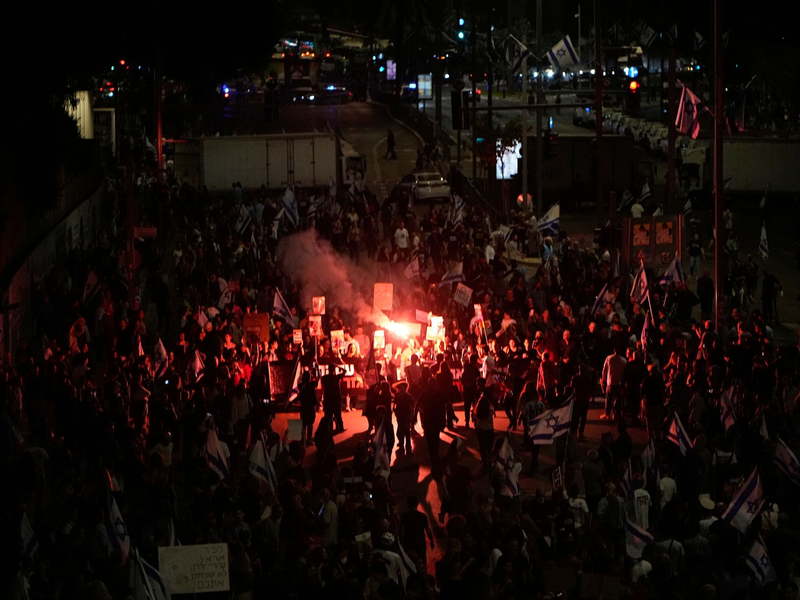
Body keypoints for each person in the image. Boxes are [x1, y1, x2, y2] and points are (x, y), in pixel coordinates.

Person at [601, 346, 627, 421]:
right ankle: (616, 414)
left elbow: (604, 369)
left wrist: (604, 379)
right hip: (619, 382)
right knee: (617, 399)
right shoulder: (623, 360)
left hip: (610, 381)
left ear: (614, 350)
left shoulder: (609, 358)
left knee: (608, 398)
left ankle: (607, 413)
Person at [321, 365, 346, 432]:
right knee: (338, 415)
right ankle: (340, 428)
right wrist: (338, 366)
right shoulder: (336, 377)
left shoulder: (324, 378)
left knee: (328, 416)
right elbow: (345, 371)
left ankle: (329, 428)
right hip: (336, 399)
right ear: (334, 370)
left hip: (328, 400)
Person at [393, 381, 415, 453]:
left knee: (406, 430)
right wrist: (394, 410)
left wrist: (412, 413)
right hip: (399, 414)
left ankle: (408, 445)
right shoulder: (397, 395)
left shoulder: (407, 396)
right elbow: (395, 404)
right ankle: (402, 442)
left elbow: (413, 404)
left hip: (406, 414)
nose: (401, 389)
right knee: (400, 429)